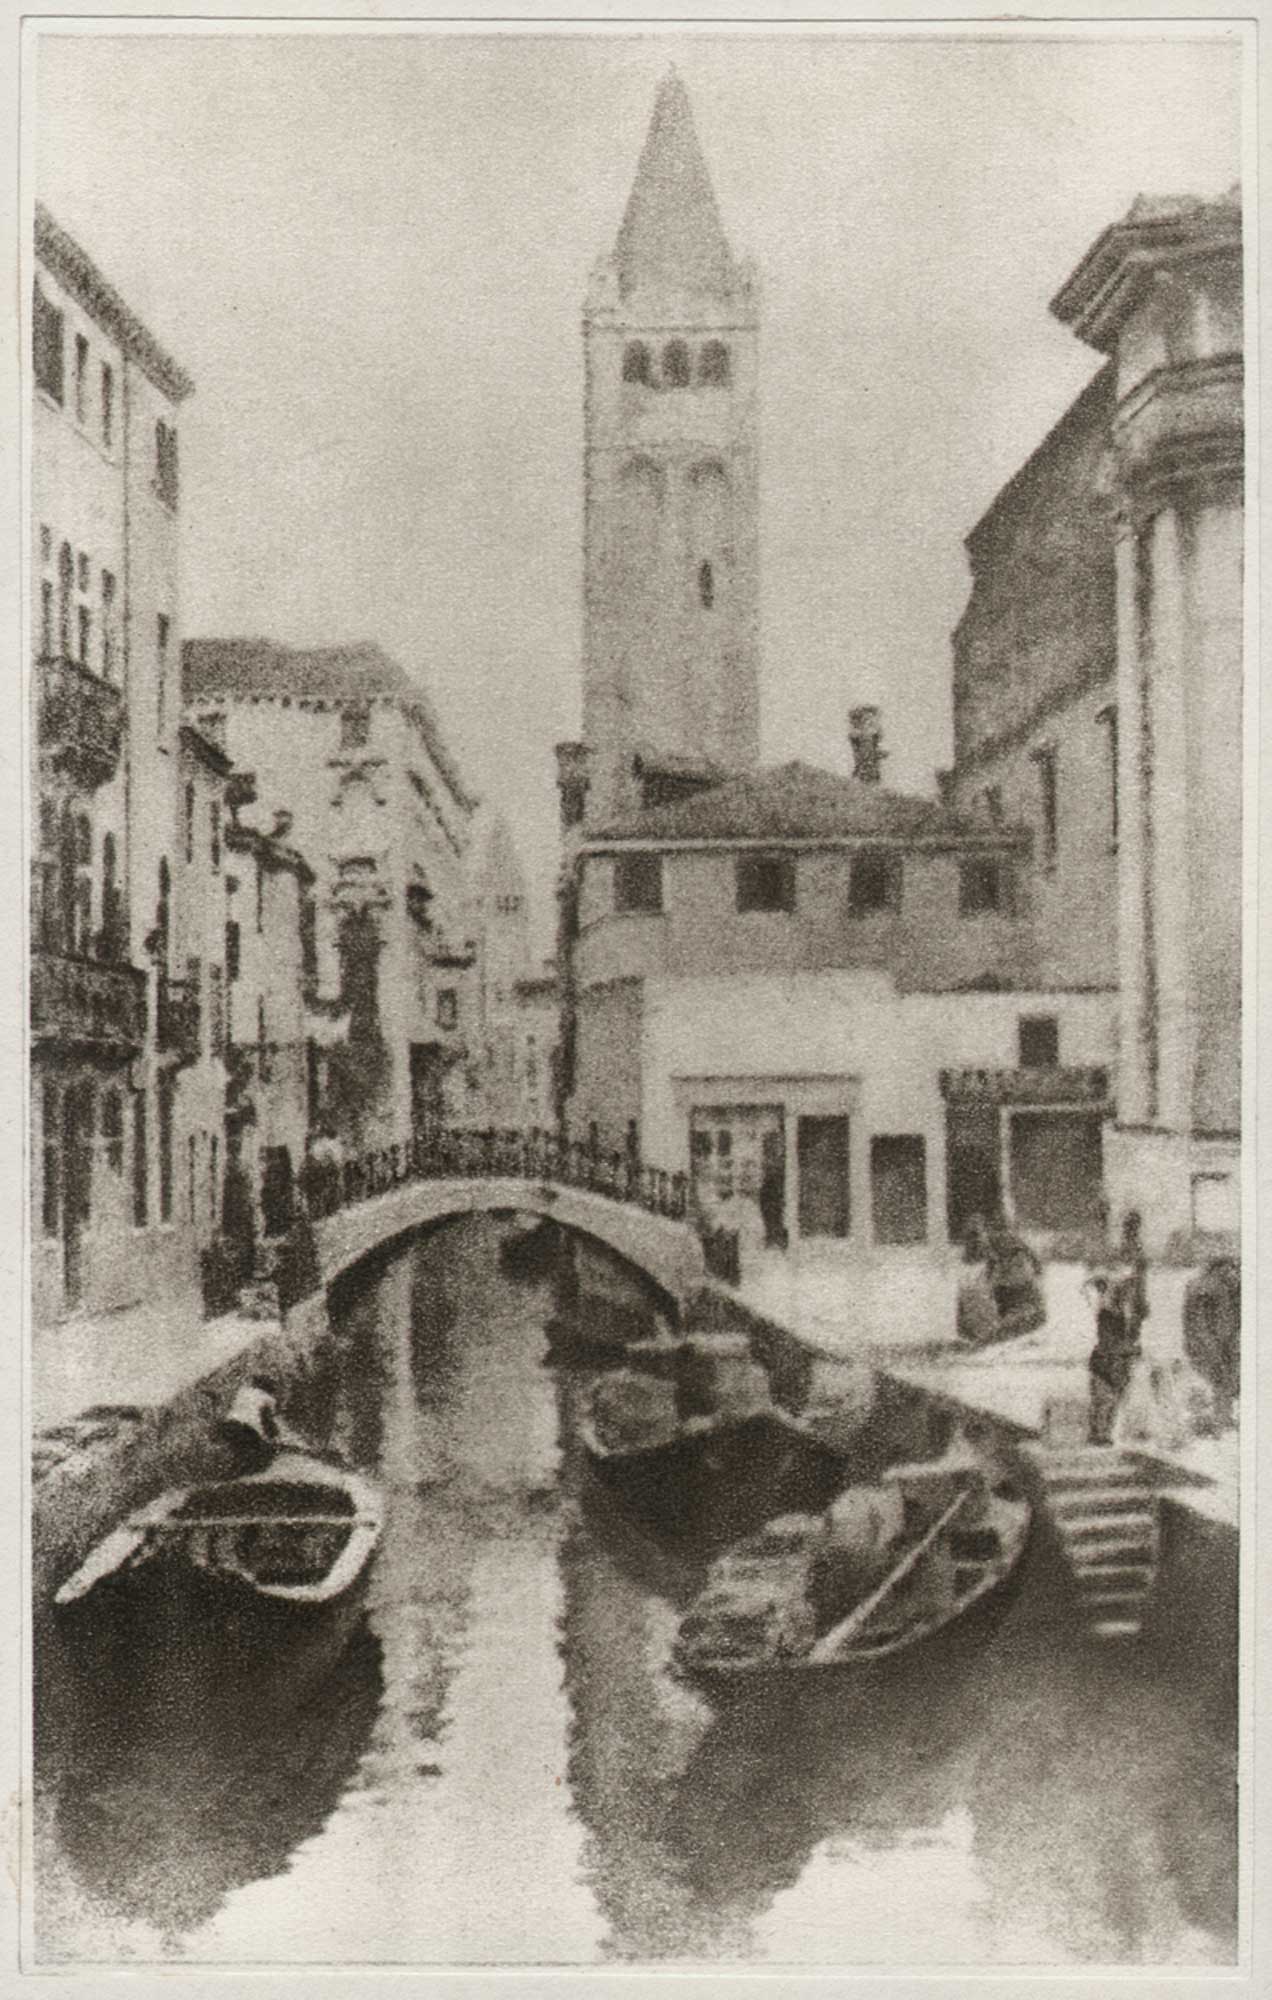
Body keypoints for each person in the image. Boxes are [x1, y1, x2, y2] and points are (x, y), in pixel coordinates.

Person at [1182, 1254, 1240, 1432]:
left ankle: (1222, 1417)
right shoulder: (1205, 1287)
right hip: (1208, 1344)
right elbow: (1198, 1323)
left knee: (1225, 1380)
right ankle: (1218, 1419)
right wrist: (1211, 1346)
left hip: (1223, 1343)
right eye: (1229, 1267)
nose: (1233, 1271)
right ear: (1218, 1267)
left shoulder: (1225, 1286)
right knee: (1220, 1380)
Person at [1085, 1268, 1139, 1446]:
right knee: (1105, 1401)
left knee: (1111, 1402)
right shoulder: (1108, 1314)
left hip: (1116, 1362)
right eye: (1124, 1293)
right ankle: (1098, 1434)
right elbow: (1110, 1341)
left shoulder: (1123, 1315)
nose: (1127, 1297)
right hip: (1108, 1361)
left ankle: (1102, 1434)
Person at [218, 1373, 282, 1474]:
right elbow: (267, 1421)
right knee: (256, 1454)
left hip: (228, 1425)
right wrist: (274, 1437)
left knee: (239, 1452)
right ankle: (246, 1475)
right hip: (245, 1429)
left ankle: (230, 1475)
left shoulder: (244, 1391)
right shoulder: (268, 1399)